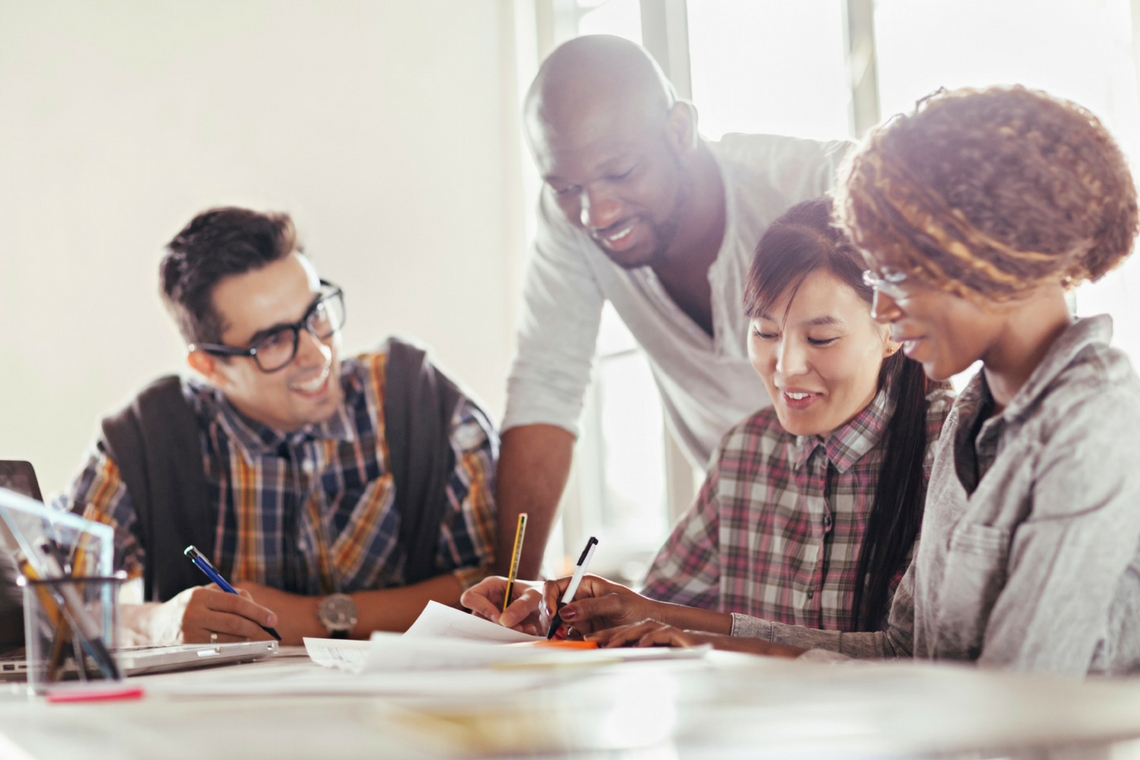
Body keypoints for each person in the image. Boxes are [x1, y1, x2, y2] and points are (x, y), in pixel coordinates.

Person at [595, 86, 1140, 677]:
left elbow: (1015, 705)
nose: (880, 310)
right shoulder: (974, 417)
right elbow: (904, 654)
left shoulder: (1096, 425)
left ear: (991, 252)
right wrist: (682, 628)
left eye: (898, 272)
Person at [463, 197, 954, 637]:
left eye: (820, 339)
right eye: (764, 332)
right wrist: (554, 610)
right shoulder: (745, 451)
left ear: (893, 328)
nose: (785, 367)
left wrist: (684, 626)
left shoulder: (947, 452)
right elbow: (647, 609)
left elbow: (912, 657)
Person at [60, 207, 498, 646]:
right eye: (273, 341)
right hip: (216, 715)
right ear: (210, 366)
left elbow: (493, 585)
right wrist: (155, 623)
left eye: (317, 315)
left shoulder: (420, 403)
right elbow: (52, 599)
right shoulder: (147, 439)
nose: (317, 354)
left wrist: (312, 617)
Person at [497, 35, 850, 578]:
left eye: (620, 173)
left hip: (869, 516)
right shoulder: (570, 224)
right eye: (566, 187)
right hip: (743, 533)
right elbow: (545, 386)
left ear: (680, 130)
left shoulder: (812, 185)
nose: (596, 212)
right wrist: (509, 589)